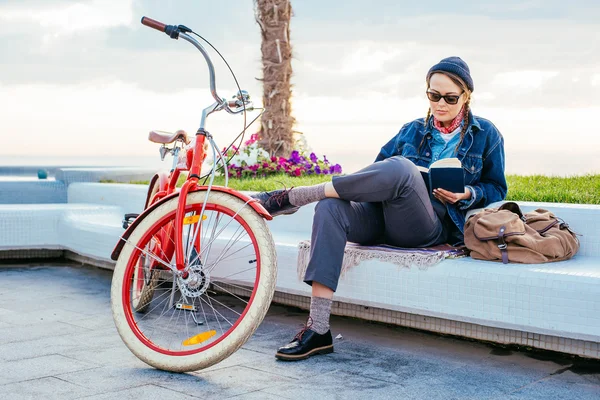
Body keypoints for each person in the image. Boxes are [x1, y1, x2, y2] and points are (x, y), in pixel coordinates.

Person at [252, 57, 507, 361]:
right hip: (385, 217)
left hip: (429, 227)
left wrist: (467, 193)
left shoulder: (486, 135)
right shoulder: (411, 131)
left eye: (450, 98)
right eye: (433, 95)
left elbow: (496, 187)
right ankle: (318, 330)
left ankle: (294, 197)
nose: (440, 104)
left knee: (402, 168)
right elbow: (374, 174)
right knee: (330, 207)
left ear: (466, 96)